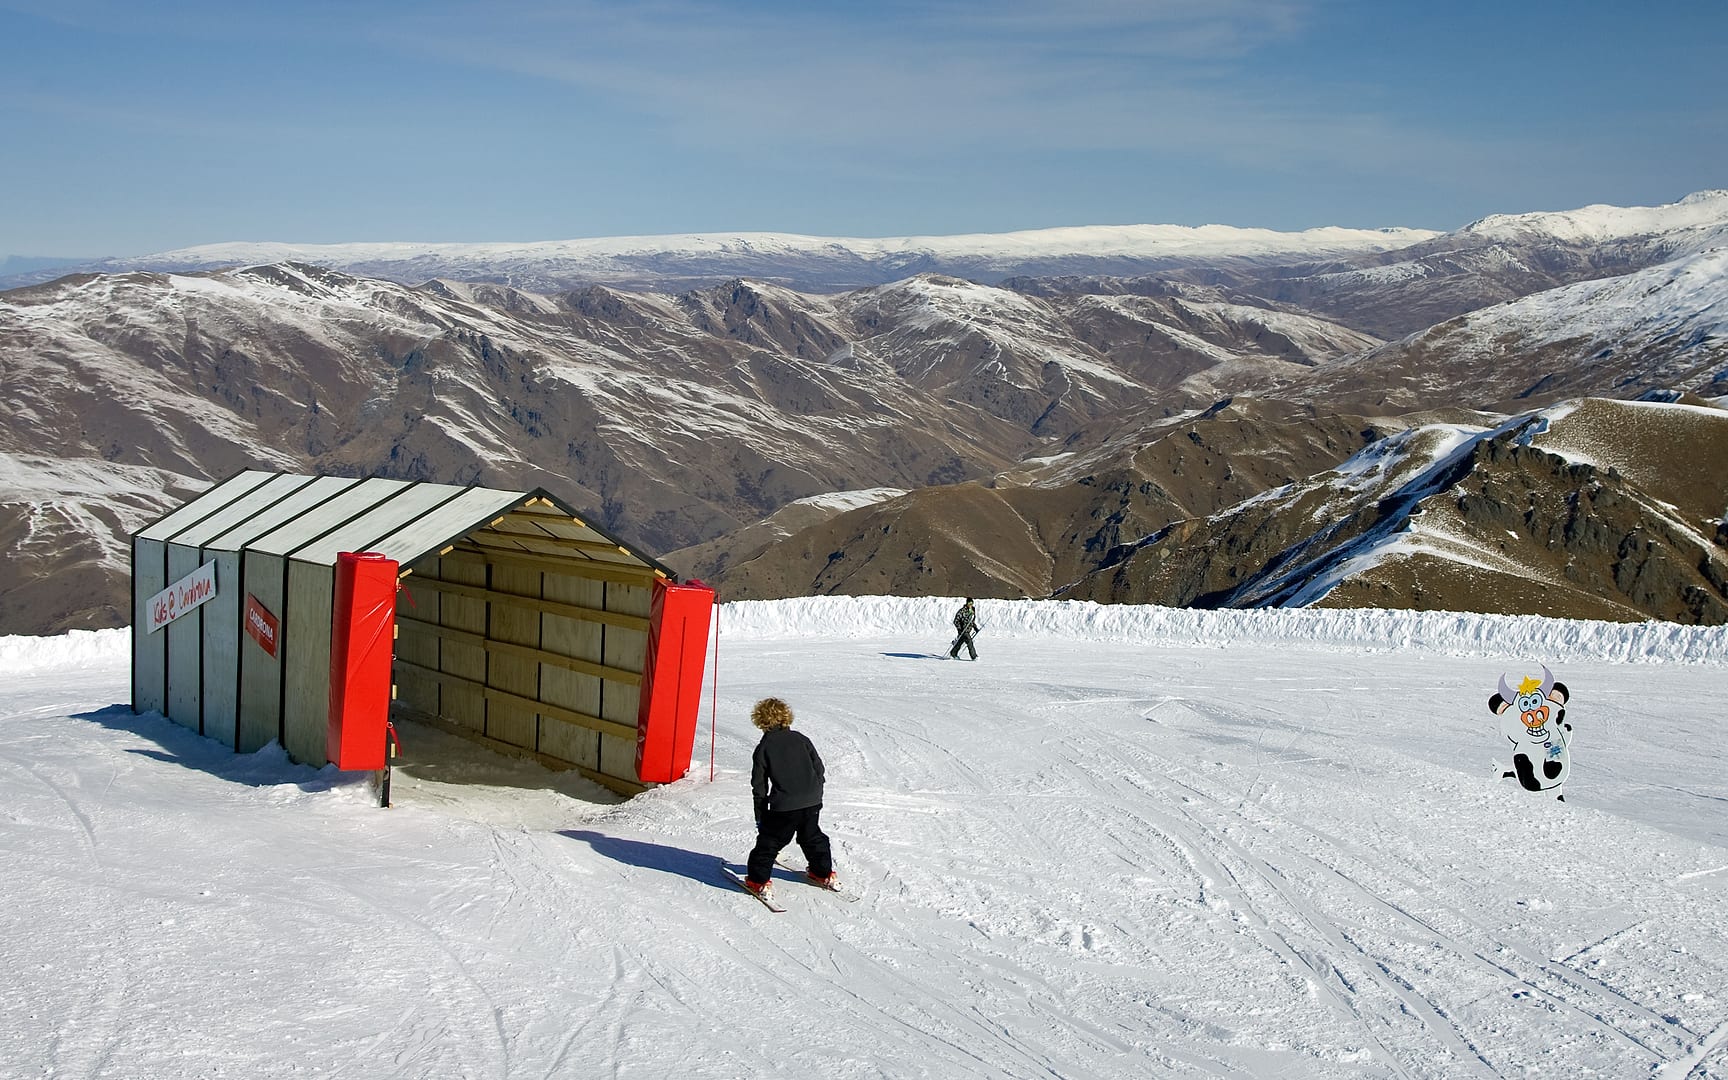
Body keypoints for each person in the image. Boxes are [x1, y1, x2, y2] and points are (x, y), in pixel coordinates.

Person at [742, 697, 835, 903]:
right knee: (811, 836)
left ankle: (758, 881)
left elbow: (759, 786)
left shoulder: (764, 747)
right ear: (786, 717)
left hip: (784, 807)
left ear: (760, 720)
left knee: (770, 842)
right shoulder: (801, 739)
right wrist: (815, 788)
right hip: (812, 801)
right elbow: (819, 768)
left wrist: (760, 815)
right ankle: (822, 872)